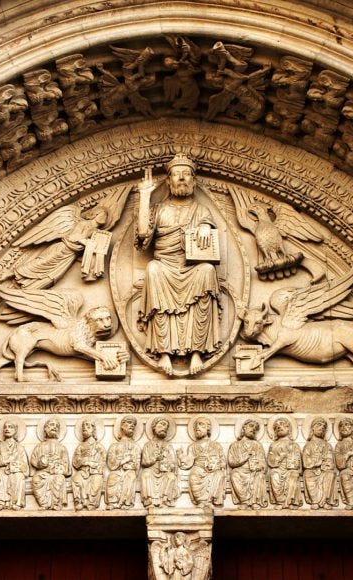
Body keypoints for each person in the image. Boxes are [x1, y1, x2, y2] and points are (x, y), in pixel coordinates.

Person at [136, 153, 221, 375]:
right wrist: (145, 196)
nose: (181, 178)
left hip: (192, 268)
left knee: (207, 270)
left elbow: (208, 233)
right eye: (176, 174)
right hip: (165, 265)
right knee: (153, 269)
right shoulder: (159, 209)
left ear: (194, 180)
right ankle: (163, 352)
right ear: (168, 181)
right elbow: (144, 234)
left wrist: (205, 227)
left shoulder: (201, 210)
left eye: (186, 174)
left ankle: (196, 352)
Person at [179, 417, 225, 506]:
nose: (197, 428)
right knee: (193, 475)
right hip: (199, 468)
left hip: (213, 470)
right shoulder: (192, 446)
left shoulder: (216, 445)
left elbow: (222, 461)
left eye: (201, 425)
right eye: (196, 426)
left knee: (220, 474)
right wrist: (180, 456)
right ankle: (201, 501)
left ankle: (211, 499)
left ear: (208, 428)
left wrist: (215, 465)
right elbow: (189, 462)